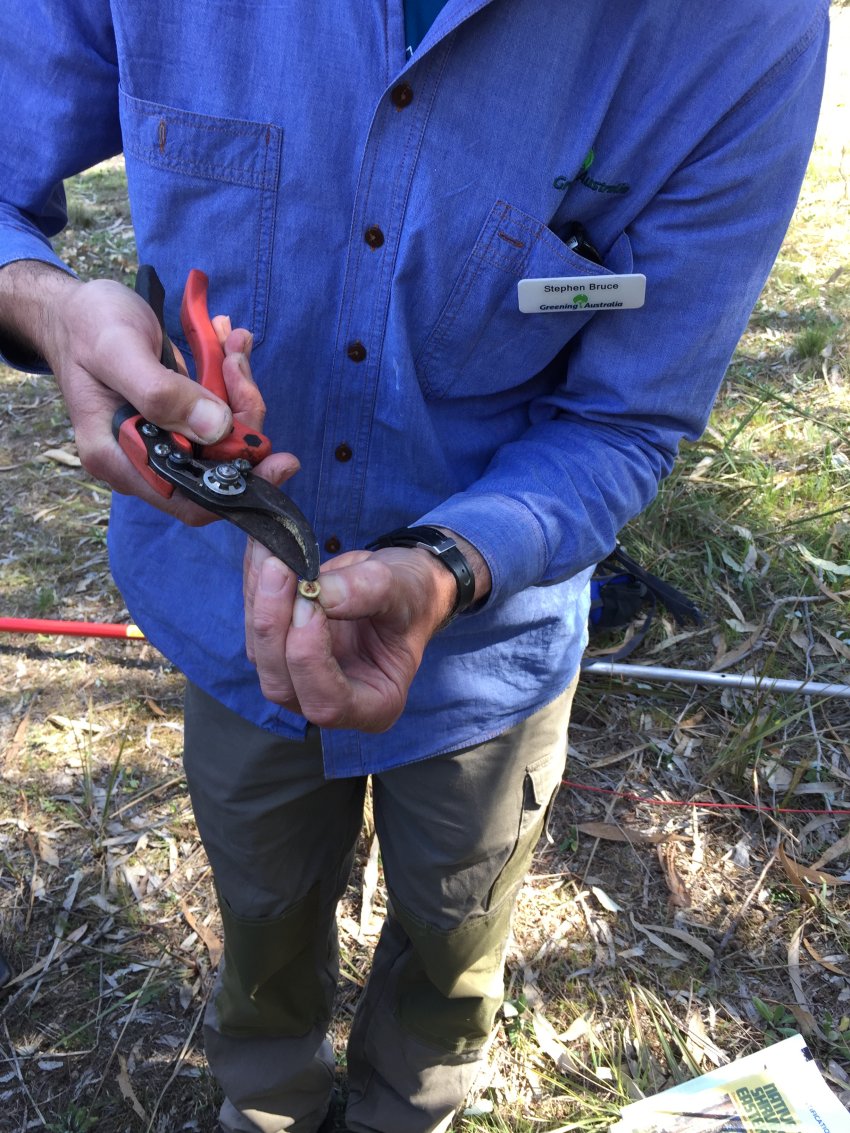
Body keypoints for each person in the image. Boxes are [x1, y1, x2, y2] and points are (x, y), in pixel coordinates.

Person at [0, 3, 828, 1131]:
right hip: (217, 617)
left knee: (455, 928)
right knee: (262, 902)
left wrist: (446, 563)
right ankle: (269, 1101)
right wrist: (47, 305)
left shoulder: (740, 28)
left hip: (491, 653)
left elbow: (630, 417)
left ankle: (411, 1109)